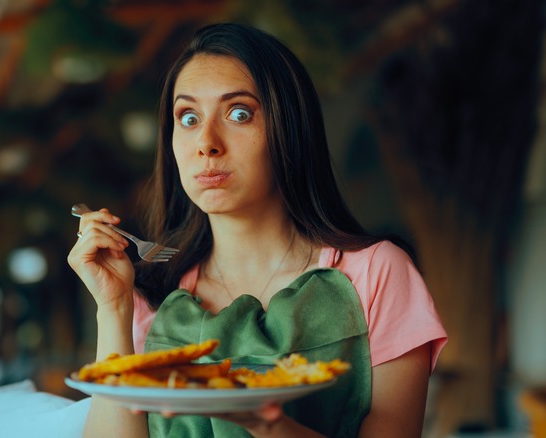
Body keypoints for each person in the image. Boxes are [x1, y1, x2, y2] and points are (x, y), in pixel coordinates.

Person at [68, 22, 447, 438]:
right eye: (188, 117)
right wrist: (114, 308)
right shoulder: (154, 293)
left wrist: (268, 425)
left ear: (289, 128)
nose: (206, 143)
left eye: (239, 113)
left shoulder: (376, 273)